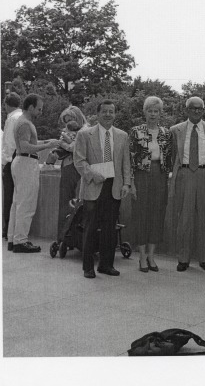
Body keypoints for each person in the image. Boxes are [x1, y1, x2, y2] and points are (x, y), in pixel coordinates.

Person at [73, 100, 131, 278]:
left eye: (111, 111)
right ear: (97, 114)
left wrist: (127, 183)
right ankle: (88, 267)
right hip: (94, 184)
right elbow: (79, 161)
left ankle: (106, 265)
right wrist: (92, 174)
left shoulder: (122, 135)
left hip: (114, 186)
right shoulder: (84, 135)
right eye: (104, 111)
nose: (108, 114)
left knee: (110, 228)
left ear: (115, 114)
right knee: (90, 228)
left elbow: (126, 163)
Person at [170, 96, 205, 272]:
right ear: (187, 110)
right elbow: (171, 156)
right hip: (184, 174)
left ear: (204, 110)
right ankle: (183, 258)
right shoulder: (175, 130)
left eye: (199, 108)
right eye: (193, 108)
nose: (196, 111)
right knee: (184, 218)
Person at [7, 94, 60, 253]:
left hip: (22, 163)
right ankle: (20, 241)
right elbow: (24, 147)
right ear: (31, 107)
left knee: (17, 203)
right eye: (39, 109)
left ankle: (13, 239)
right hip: (26, 163)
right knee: (26, 204)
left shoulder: (23, 122)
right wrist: (46, 146)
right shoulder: (24, 123)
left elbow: (30, 143)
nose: (41, 112)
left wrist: (49, 141)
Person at [128, 96, 173, 273]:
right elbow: (130, 158)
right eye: (150, 111)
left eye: (156, 111)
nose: (153, 114)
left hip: (160, 176)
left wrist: (168, 179)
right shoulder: (136, 131)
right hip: (141, 175)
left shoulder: (166, 133)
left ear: (160, 113)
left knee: (157, 214)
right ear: (144, 112)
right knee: (141, 214)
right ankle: (141, 256)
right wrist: (131, 182)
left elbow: (169, 159)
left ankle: (152, 256)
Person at [53, 106, 88, 242]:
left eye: (71, 119)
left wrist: (64, 143)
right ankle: (62, 237)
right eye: (66, 121)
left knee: (80, 203)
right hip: (67, 167)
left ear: (78, 117)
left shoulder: (85, 130)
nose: (68, 123)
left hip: (79, 168)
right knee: (65, 203)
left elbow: (75, 147)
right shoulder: (69, 131)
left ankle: (78, 237)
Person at [1, 92, 22, 240]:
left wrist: (3, 163)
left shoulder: (11, 119)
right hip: (21, 158)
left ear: (6, 105)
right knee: (18, 196)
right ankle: (14, 229)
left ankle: (7, 229)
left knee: (9, 196)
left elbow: (8, 143)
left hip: (11, 159)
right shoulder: (22, 117)